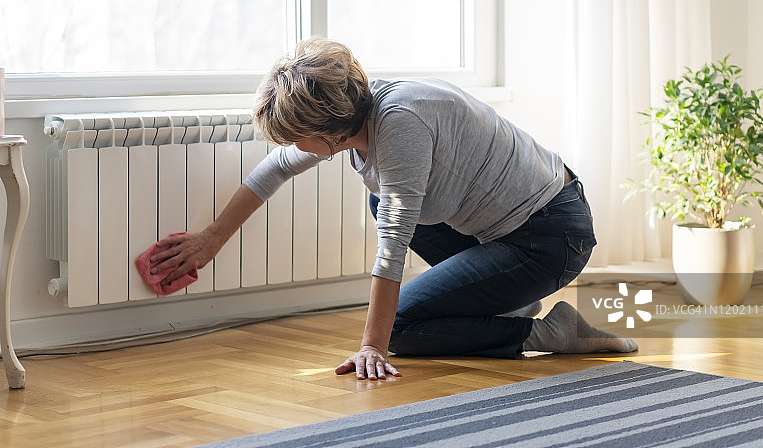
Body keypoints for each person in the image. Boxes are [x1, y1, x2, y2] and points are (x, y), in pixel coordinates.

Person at [148, 38, 638, 380]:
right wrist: (210, 238)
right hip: (502, 229)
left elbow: (394, 244)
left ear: (330, 134)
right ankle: (504, 297)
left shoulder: (400, 122)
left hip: (550, 234)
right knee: (378, 195)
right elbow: (273, 169)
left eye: (299, 137)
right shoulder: (352, 115)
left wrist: (372, 346)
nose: (294, 146)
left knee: (403, 328)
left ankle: (550, 330)